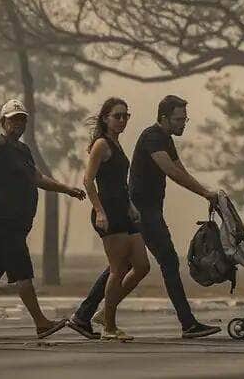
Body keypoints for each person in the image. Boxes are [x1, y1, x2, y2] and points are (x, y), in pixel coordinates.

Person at [69, 94, 221, 339]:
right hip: (141, 209)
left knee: (126, 266)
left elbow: (179, 167)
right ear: (164, 118)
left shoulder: (162, 139)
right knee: (166, 262)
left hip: (135, 208)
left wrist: (206, 191)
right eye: (179, 119)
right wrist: (203, 192)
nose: (183, 123)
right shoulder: (152, 137)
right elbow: (171, 171)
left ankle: (88, 314)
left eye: (185, 119)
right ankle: (187, 323)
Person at [0, 99, 87, 339]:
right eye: (14, 119)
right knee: (23, 271)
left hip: (17, 223)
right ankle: (41, 323)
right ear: (3, 121)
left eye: (22, 119)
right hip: (1, 222)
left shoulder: (23, 151)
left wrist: (67, 189)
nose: (18, 124)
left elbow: (37, 178)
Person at [80, 98, 149, 341]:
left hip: (124, 210)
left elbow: (120, 183)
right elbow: (88, 181)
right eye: (117, 116)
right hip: (108, 212)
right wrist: (99, 211)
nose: (121, 120)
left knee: (142, 266)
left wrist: (131, 206)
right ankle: (109, 326)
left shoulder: (117, 145)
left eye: (125, 116)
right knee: (118, 269)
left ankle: (105, 311)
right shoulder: (101, 144)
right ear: (105, 118)